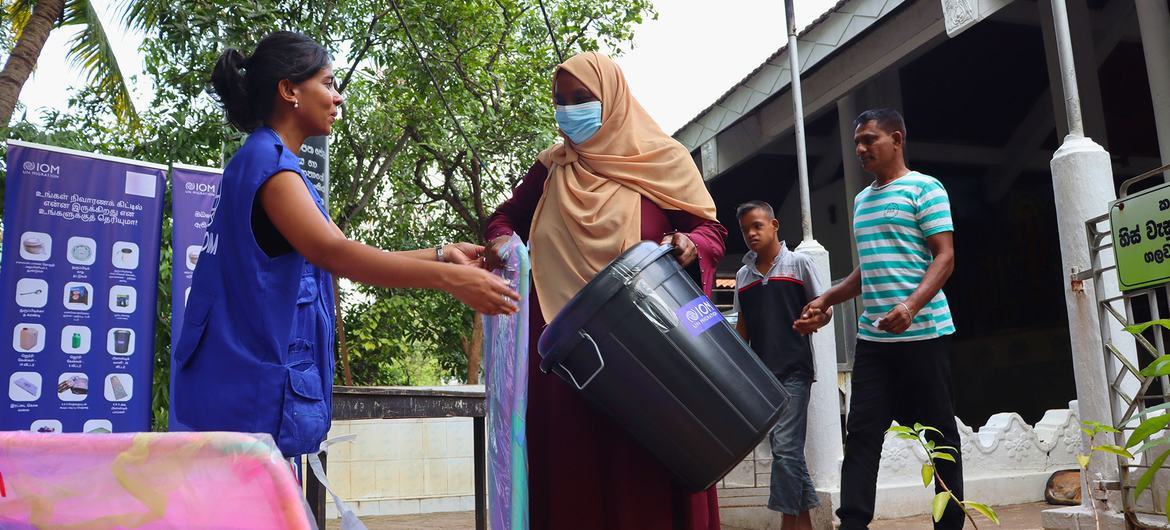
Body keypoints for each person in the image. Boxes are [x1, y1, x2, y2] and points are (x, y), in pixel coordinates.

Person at [171, 31, 519, 459]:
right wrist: (450, 279)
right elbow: (335, 254)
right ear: (289, 91)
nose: (339, 99)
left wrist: (444, 253)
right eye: (329, 83)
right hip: (247, 404)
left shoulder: (268, 162)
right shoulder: (272, 168)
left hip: (238, 396)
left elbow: (337, 248)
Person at [483, 51, 728, 530]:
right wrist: (502, 243)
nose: (568, 110)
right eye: (559, 101)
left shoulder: (662, 159)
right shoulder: (552, 167)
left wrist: (688, 244)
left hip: (650, 348)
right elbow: (503, 218)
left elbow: (710, 231)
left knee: (647, 462)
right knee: (574, 465)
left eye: (581, 98)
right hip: (565, 348)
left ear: (611, 99)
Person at [798, 109, 961, 529]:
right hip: (875, 344)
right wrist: (827, 298)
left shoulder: (925, 188)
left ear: (897, 139)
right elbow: (867, 270)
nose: (860, 149)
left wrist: (910, 307)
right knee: (863, 436)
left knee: (940, 436)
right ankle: (853, 523)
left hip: (926, 335)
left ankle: (951, 523)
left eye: (869, 139)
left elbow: (944, 257)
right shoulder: (861, 200)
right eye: (857, 142)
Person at [732, 200, 829, 530]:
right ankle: (804, 524)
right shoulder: (743, 275)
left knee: (786, 449)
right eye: (745, 229)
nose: (751, 234)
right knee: (787, 452)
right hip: (762, 375)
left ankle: (789, 523)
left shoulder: (798, 264)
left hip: (795, 369)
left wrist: (816, 318)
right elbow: (742, 325)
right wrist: (737, 368)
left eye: (757, 226)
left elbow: (824, 308)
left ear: (774, 226)